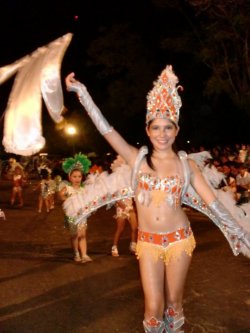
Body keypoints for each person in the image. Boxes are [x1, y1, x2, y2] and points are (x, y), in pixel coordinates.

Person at [65, 66, 250, 333]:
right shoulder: (136, 159)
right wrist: (82, 93)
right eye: (156, 128)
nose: (162, 133)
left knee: (174, 303)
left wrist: (240, 233)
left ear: (176, 131)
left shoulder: (187, 166)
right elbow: (105, 129)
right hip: (148, 243)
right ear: (148, 130)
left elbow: (215, 205)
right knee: (153, 307)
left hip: (179, 239)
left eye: (168, 128)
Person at [59, 153, 93, 264]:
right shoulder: (67, 188)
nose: (77, 179)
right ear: (70, 177)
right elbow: (60, 195)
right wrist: (68, 200)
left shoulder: (84, 189)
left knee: (83, 235)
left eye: (79, 176)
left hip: (82, 215)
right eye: (74, 176)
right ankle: (76, 253)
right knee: (75, 235)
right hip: (72, 216)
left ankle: (84, 254)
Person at [110, 155, 138, 257]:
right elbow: (116, 199)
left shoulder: (131, 184)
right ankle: (114, 246)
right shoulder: (117, 185)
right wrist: (123, 207)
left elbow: (134, 197)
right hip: (121, 208)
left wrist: (133, 207)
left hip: (130, 208)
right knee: (120, 229)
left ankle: (133, 245)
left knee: (135, 228)